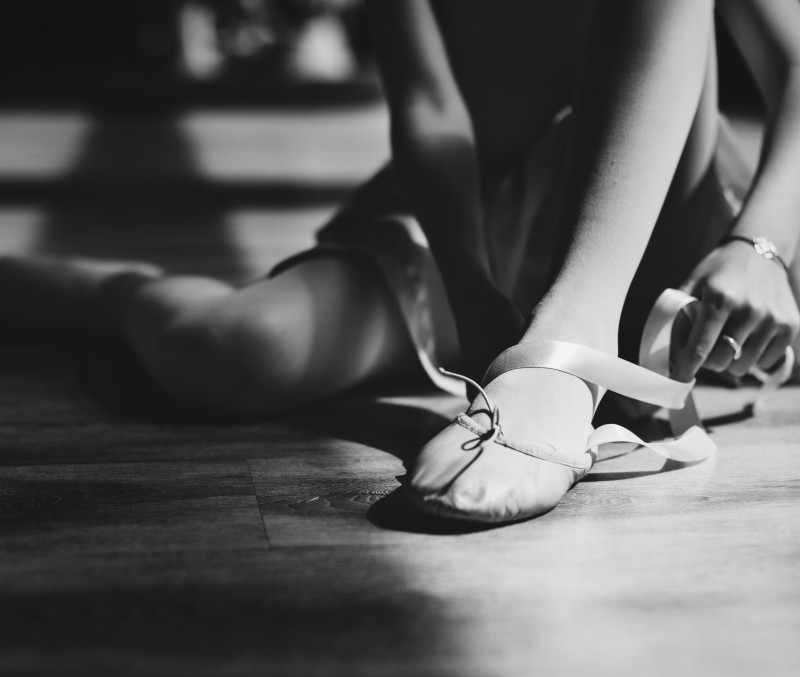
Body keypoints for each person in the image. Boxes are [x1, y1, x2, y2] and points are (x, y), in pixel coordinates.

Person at [2, 0, 799, 525]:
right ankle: (103, 294)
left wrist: (758, 245)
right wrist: (471, 289)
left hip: (662, 200)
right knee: (234, 352)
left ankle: (577, 327)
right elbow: (429, 108)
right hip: (472, 206)